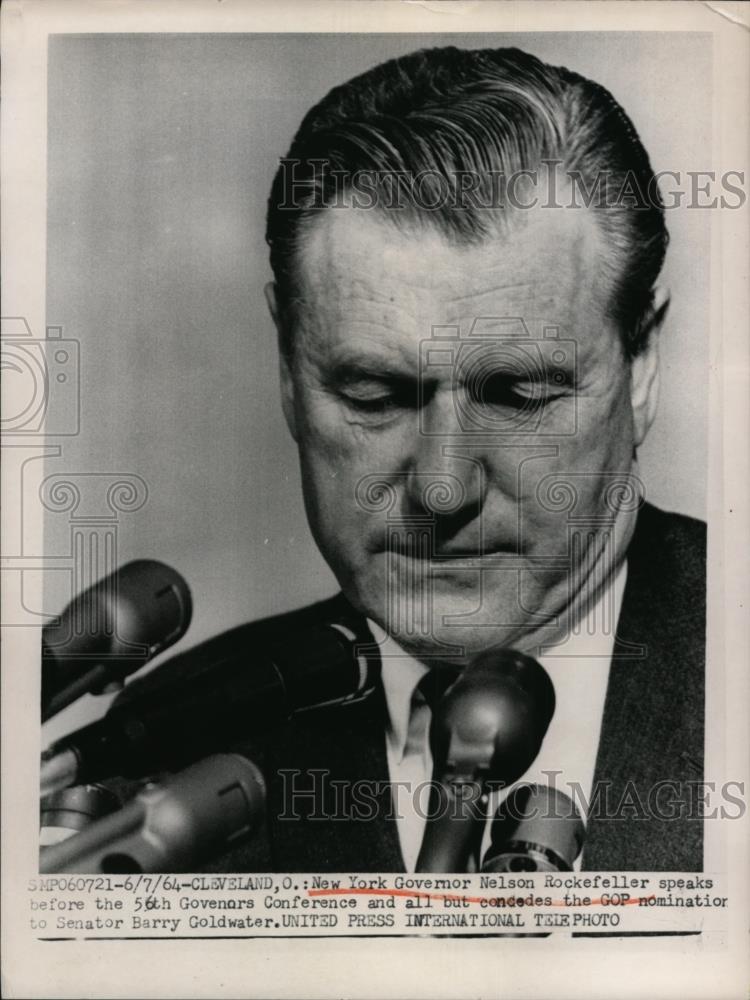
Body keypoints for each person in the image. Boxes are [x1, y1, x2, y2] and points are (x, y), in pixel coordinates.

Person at [132, 45, 706, 873]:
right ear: (288, 371)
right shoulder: (170, 753)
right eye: (375, 395)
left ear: (641, 365)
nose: (442, 487)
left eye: (517, 395)